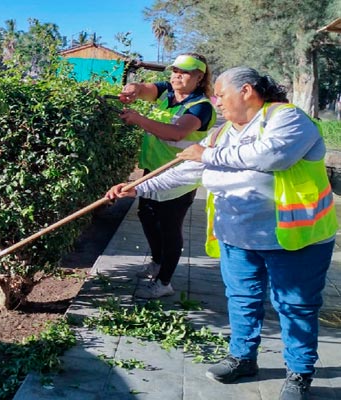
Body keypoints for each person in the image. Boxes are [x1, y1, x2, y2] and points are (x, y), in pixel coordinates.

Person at [106, 66, 337, 400]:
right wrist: (138, 188)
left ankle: (299, 373)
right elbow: (186, 172)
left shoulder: (287, 119)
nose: (216, 101)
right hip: (239, 238)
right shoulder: (223, 132)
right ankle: (242, 358)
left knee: (295, 306)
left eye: (220, 93)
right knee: (242, 299)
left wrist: (207, 153)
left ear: (246, 91)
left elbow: (273, 156)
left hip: (296, 239)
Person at [116, 53, 216, 299]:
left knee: (169, 227)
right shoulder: (167, 92)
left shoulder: (200, 106)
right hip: (153, 171)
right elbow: (143, 88)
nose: (176, 76)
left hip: (179, 177)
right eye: (174, 70)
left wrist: (139, 119)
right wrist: (132, 90)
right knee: (147, 216)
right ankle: (158, 261)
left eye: (184, 72)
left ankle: (164, 282)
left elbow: (176, 133)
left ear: (199, 77)